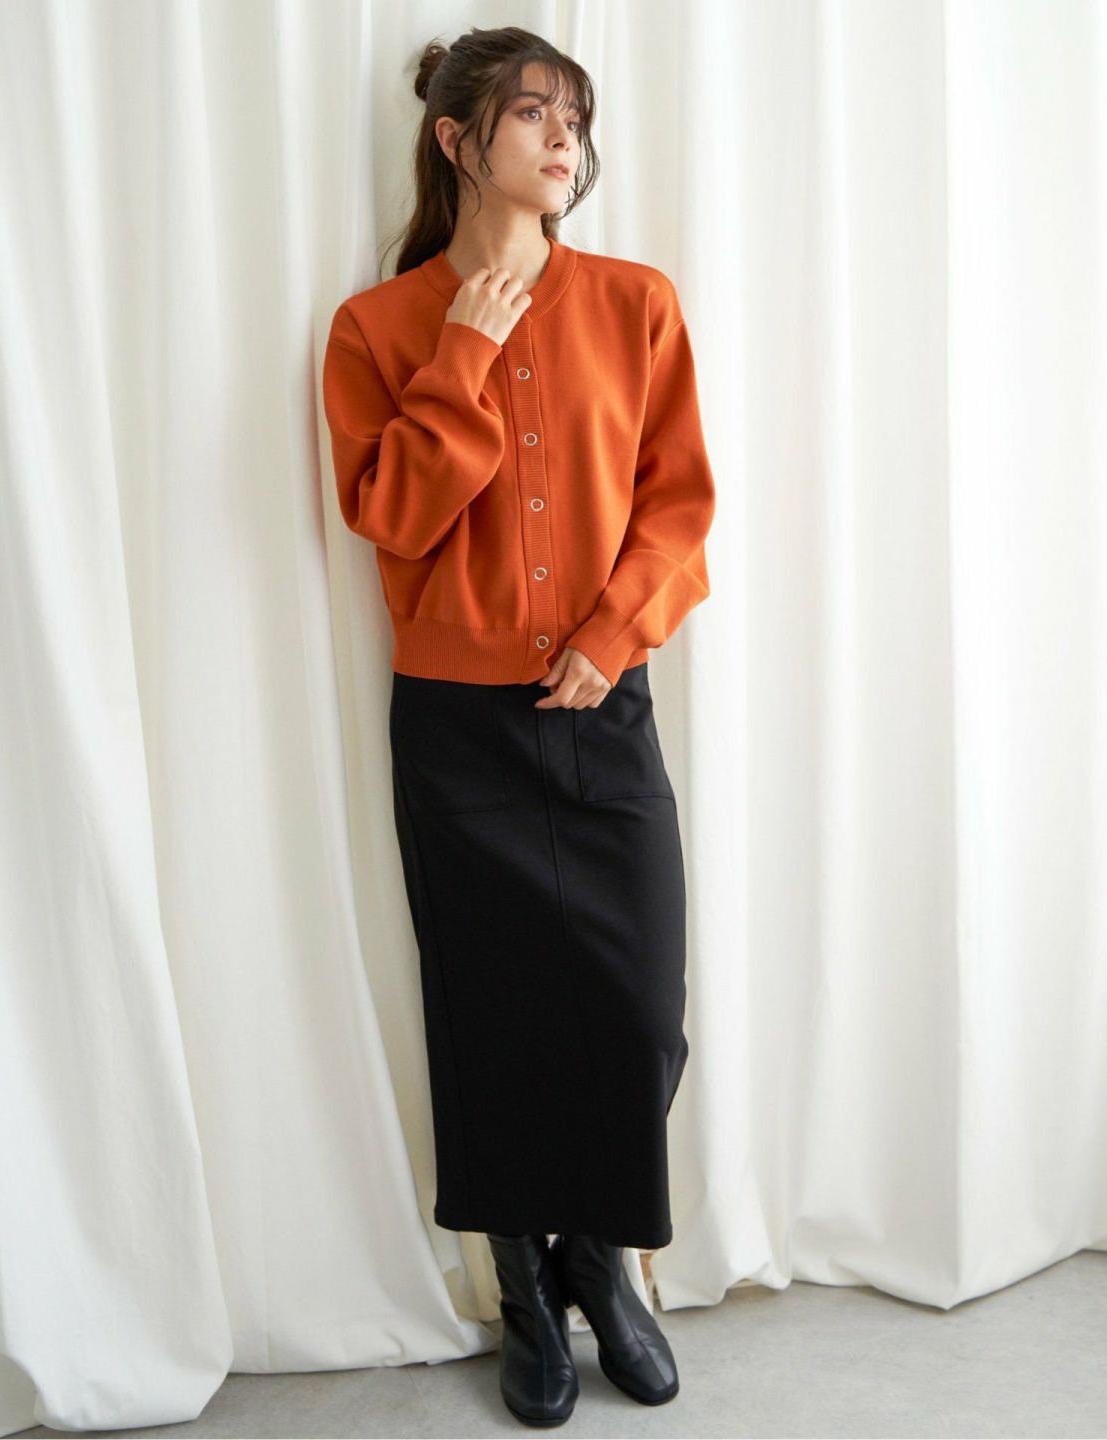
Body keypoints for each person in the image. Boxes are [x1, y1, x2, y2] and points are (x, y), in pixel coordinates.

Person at [321, 24, 716, 1429]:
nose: (564, 140)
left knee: (637, 1010)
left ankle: (601, 1258)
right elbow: (395, 516)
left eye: (575, 119)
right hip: (457, 727)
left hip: (604, 705)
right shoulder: (378, 328)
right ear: (456, 137)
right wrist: (467, 354)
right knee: (490, 1018)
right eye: (534, 114)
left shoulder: (637, 303)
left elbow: (679, 504)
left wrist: (614, 636)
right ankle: (525, 1289)